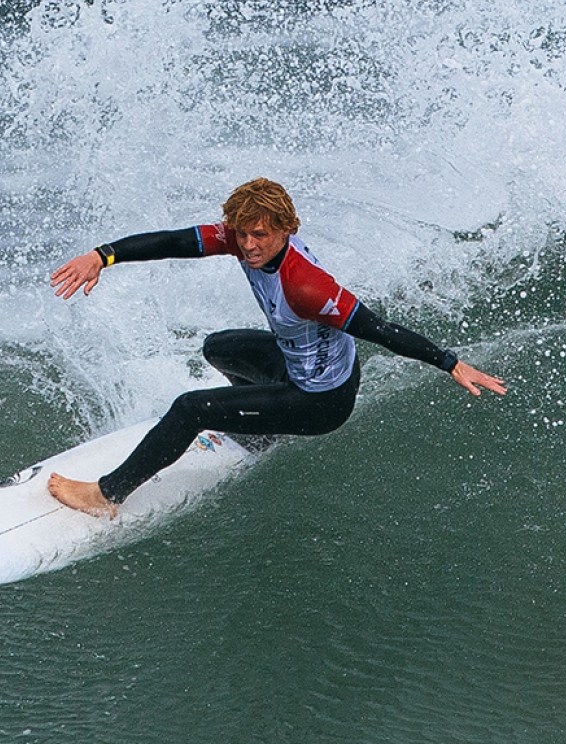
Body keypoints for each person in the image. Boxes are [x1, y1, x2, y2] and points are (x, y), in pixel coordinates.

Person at [47, 178, 507, 518]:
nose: (248, 246)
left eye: (260, 236)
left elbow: (379, 329)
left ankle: (106, 496)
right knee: (219, 347)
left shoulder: (306, 287)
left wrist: (450, 363)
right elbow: (172, 241)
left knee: (190, 408)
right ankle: (262, 431)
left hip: (321, 401)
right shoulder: (243, 237)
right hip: (295, 364)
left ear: (287, 228)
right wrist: (102, 256)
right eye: (242, 234)